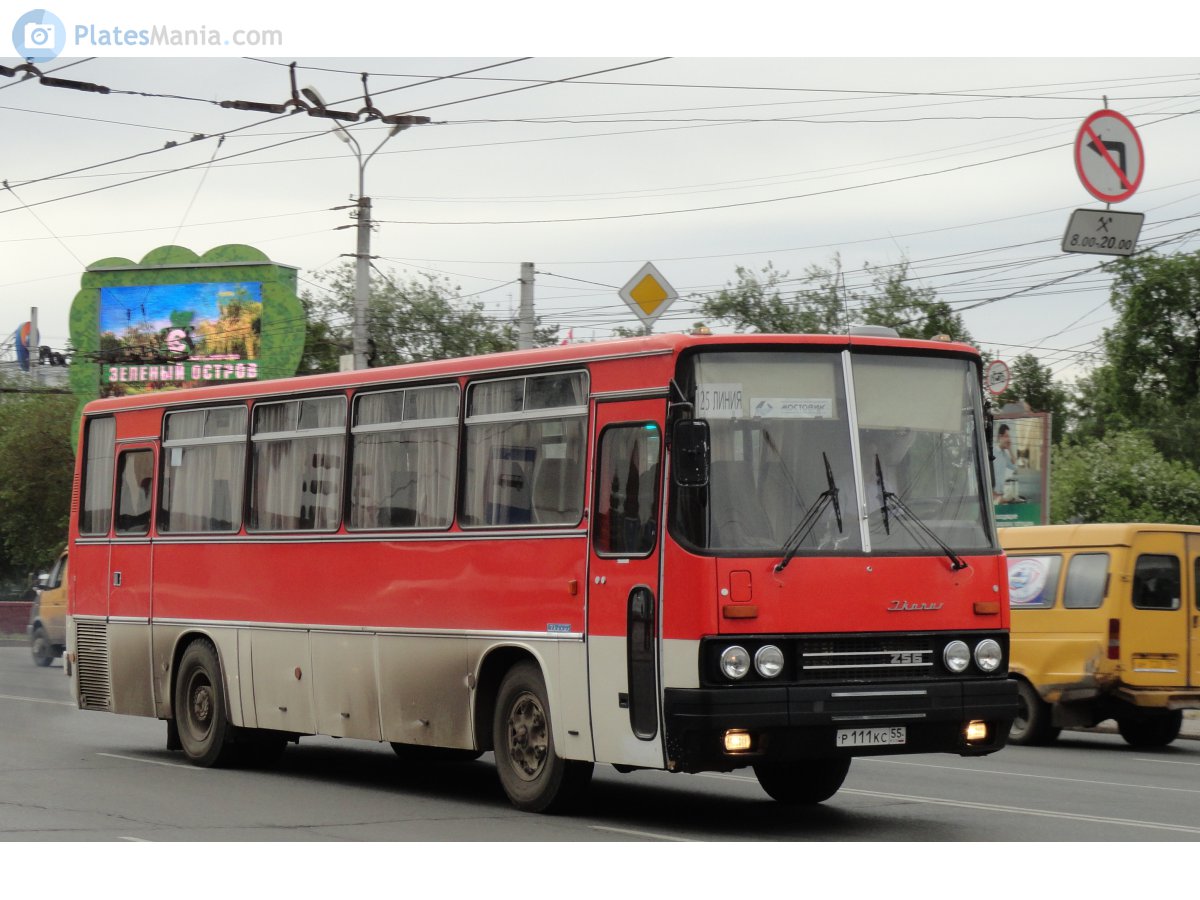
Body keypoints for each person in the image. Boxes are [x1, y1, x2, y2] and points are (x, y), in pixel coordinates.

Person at [993, 423, 1018, 503]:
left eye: (1009, 437)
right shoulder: (992, 452)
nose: (1009, 440)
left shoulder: (1004, 454)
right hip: (992, 495)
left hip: (1000, 495)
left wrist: (1010, 448)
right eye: (1007, 436)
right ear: (1000, 437)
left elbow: (1014, 466)